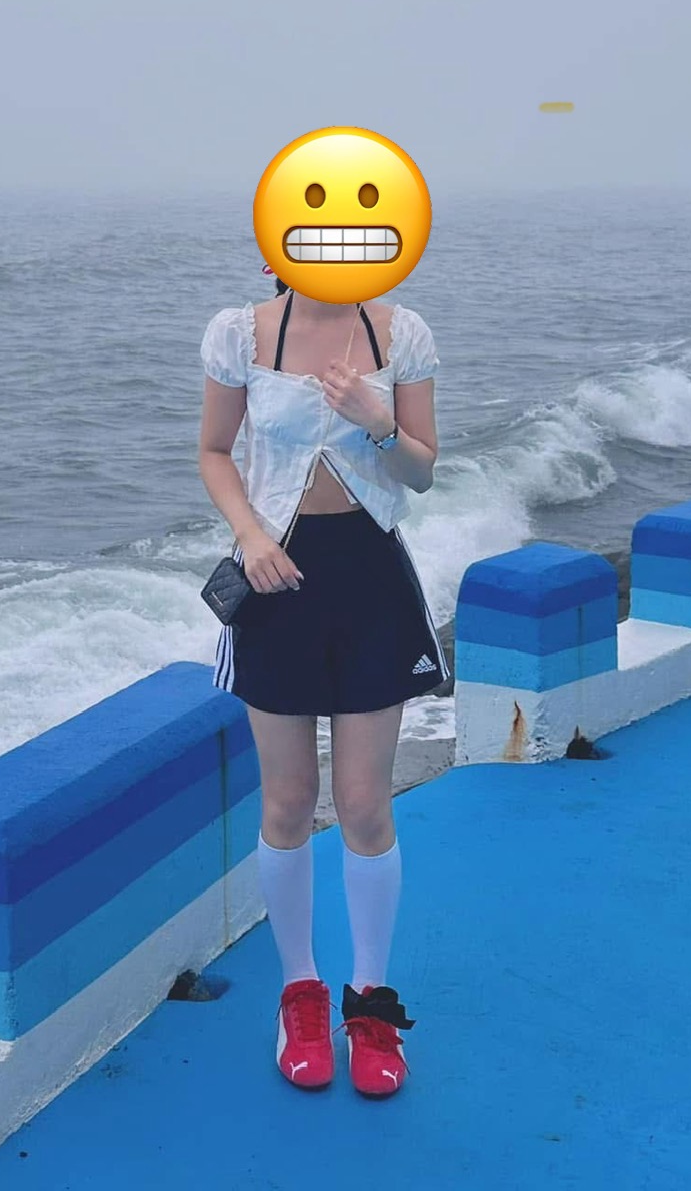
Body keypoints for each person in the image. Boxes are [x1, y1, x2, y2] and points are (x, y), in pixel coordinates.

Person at [198, 269, 447, 1097]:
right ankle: (299, 992)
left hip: (370, 579)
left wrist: (378, 421)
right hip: (274, 578)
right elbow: (213, 451)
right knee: (288, 801)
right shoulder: (239, 332)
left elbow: (420, 472)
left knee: (366, 804)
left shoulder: (400, 331)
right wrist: (249, 536)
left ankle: (369, 1002)